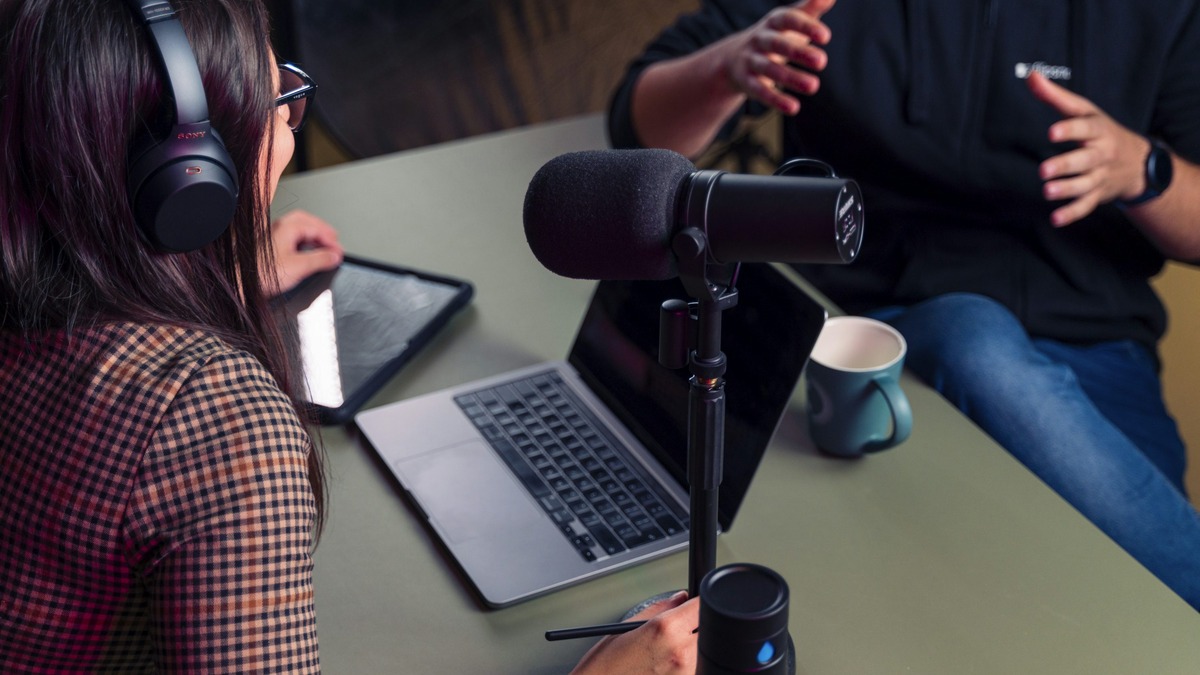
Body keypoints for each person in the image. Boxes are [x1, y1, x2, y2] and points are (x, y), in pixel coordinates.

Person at [0, 0, 698, 670]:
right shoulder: (210, 419)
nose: (291, 129)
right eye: (280, 105)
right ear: (192, 181)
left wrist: (207, 275)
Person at [609, 0, 1200, 611]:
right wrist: (728, 68)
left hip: (1090, 348)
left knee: (1139, 608)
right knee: (971, 342)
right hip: (852, 337)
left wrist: (1146, 170)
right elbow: (637, 129)